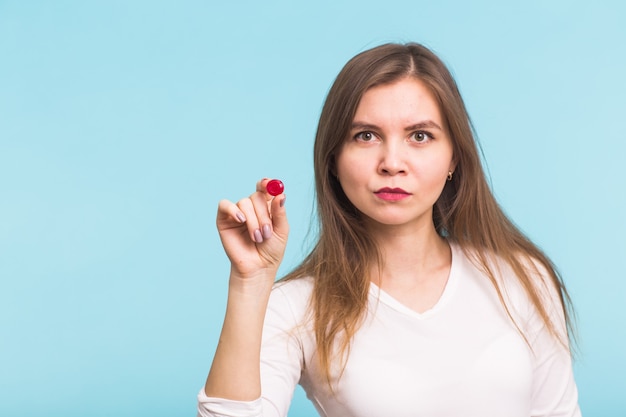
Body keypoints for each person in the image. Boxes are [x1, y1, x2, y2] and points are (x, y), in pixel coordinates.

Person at [198, 42, 581, 417]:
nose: (392, 162)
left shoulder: (523, 278)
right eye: (366, 135)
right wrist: (250, 283)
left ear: (454, 158)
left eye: (420, 136)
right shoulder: (297, 306)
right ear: (333, 160)